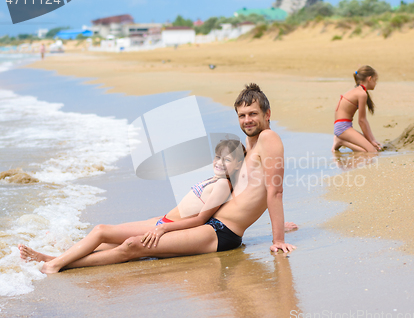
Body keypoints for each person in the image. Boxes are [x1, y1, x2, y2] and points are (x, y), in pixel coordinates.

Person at [19, 83, 297, 273]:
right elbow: (250, 191)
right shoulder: (250, 145)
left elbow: (275, 190)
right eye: (242, 115)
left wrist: (277, 237)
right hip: (209, 223)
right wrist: (279, 220)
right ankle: (57, 258)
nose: (247, 119)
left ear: (267, 114)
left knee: (134, 245)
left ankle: (56, 265)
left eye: (253, 114)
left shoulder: (269, 138)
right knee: (114, 234)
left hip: (221, 233)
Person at [332, 65, 381, 153]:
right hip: (343, 128)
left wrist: (372, 139)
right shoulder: (361, 94)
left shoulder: (358, 91)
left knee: (369, 150)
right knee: (372, 152)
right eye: (375, 80)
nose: (376, 83)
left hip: (341, 126)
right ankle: (341, 141)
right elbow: (362, 121)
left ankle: (341, 141)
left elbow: (364, 121)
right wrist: (370, 141)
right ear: (369, 79)